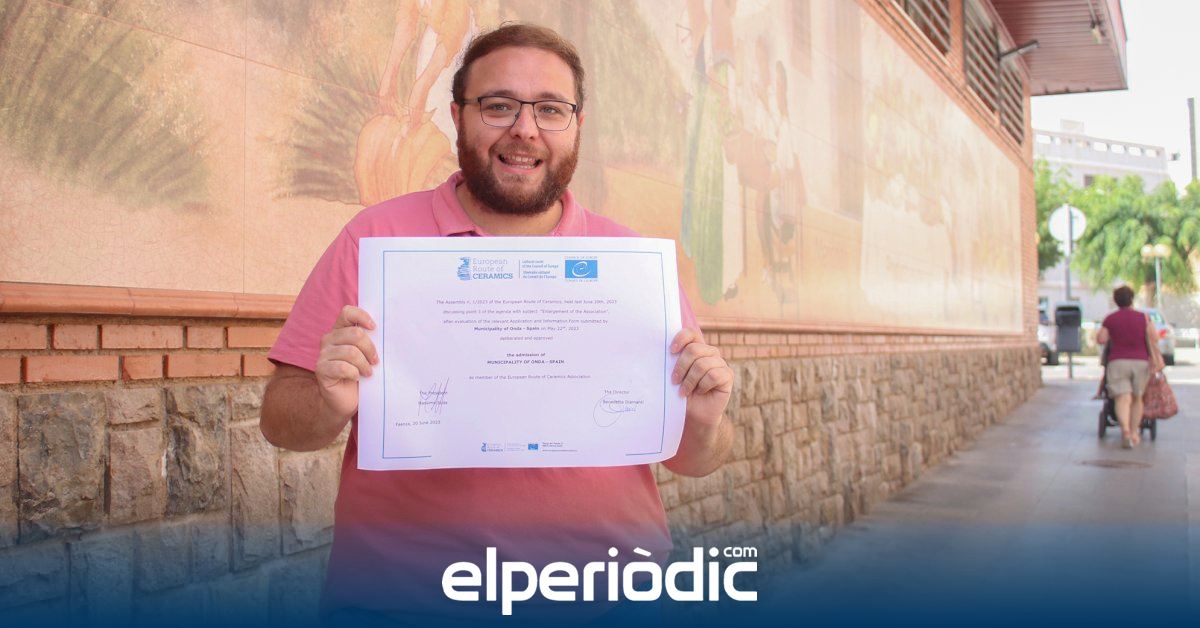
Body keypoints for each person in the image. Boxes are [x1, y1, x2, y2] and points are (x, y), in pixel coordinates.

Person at [259, 23, 735, 621]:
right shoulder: (376, 240)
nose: (525, 129)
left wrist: (704, 422)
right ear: (457, 116)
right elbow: (281, 422)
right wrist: (328, 402)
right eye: (499, 105)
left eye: (550, 109)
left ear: (578, 125)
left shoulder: (632, 264)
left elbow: (694, 458)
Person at [1095, 285, 1165, 449]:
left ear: (1116, 301)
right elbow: (1154, 338)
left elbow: (1101, 339)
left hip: (1117, 362)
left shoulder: (1111, 318)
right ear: (1132, 299)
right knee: (1137, 398)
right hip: (1141, 362)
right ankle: (1134, 433)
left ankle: (1125, 432)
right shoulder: (1143, 318)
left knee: (1122, 397)